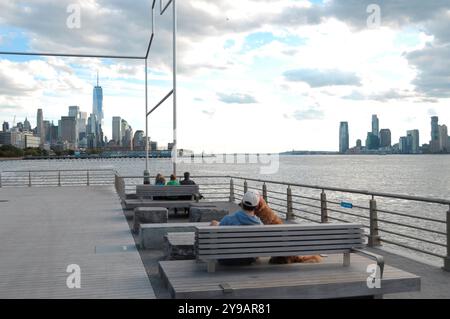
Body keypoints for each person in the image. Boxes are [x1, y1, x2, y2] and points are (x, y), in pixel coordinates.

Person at [210, 190, 262, 266]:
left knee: (214, 224)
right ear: (257, 206)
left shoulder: (228, 219)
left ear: (242, 203)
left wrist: (215, 224)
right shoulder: (260, 225)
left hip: (225, 259)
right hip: (248, 260)